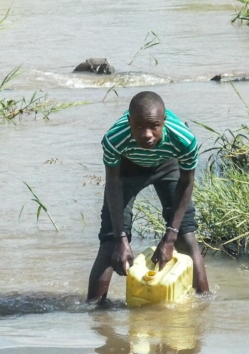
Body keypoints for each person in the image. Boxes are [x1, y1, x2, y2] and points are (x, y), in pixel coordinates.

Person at [87, 91, 209, 301]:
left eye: (154, 126)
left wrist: (170, 236)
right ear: (129, 121)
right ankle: (95, 312)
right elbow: (114, 184)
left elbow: (186, 183)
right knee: (109, 244)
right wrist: (120, 238)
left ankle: (205, 302)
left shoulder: (184, 139)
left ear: (164, 121)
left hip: (168, 164)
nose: (147, 134)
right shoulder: (114, 138)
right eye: (139, 126)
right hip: (128, 168)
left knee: (185, 236)